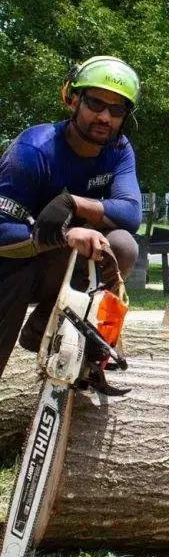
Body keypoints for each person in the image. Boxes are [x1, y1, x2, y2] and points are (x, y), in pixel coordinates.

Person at [0, 56, 143, 376]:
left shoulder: (119, 150)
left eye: (116, 109)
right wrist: (64, 237)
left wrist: (73, 203)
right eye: (95, 103)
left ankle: (48, 333)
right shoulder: (33, 150)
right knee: (15, 273)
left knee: (120, 245)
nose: (105, 116)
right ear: (73, 99)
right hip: (11, 266)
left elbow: (131, 214)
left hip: (56, 265)